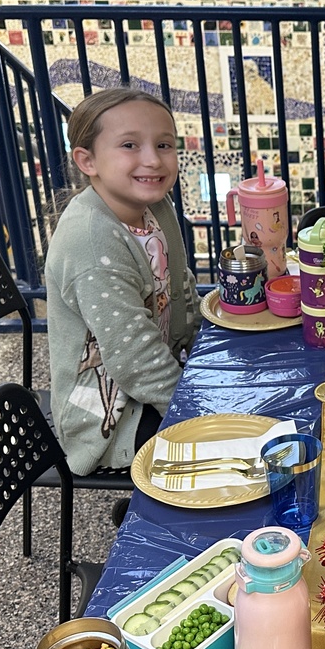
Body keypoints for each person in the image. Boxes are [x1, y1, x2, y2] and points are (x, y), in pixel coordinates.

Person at [46, 88, 201, 476]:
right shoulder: (91, 241)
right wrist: (197, 413)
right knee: (232, 452)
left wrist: (205, 354)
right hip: (111, 419)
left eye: (164, 144)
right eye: (130, 145)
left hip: (153, 378)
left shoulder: (154, 206)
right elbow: (135, 360)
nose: (152, 159)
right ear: (87, 160)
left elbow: (179, 286)